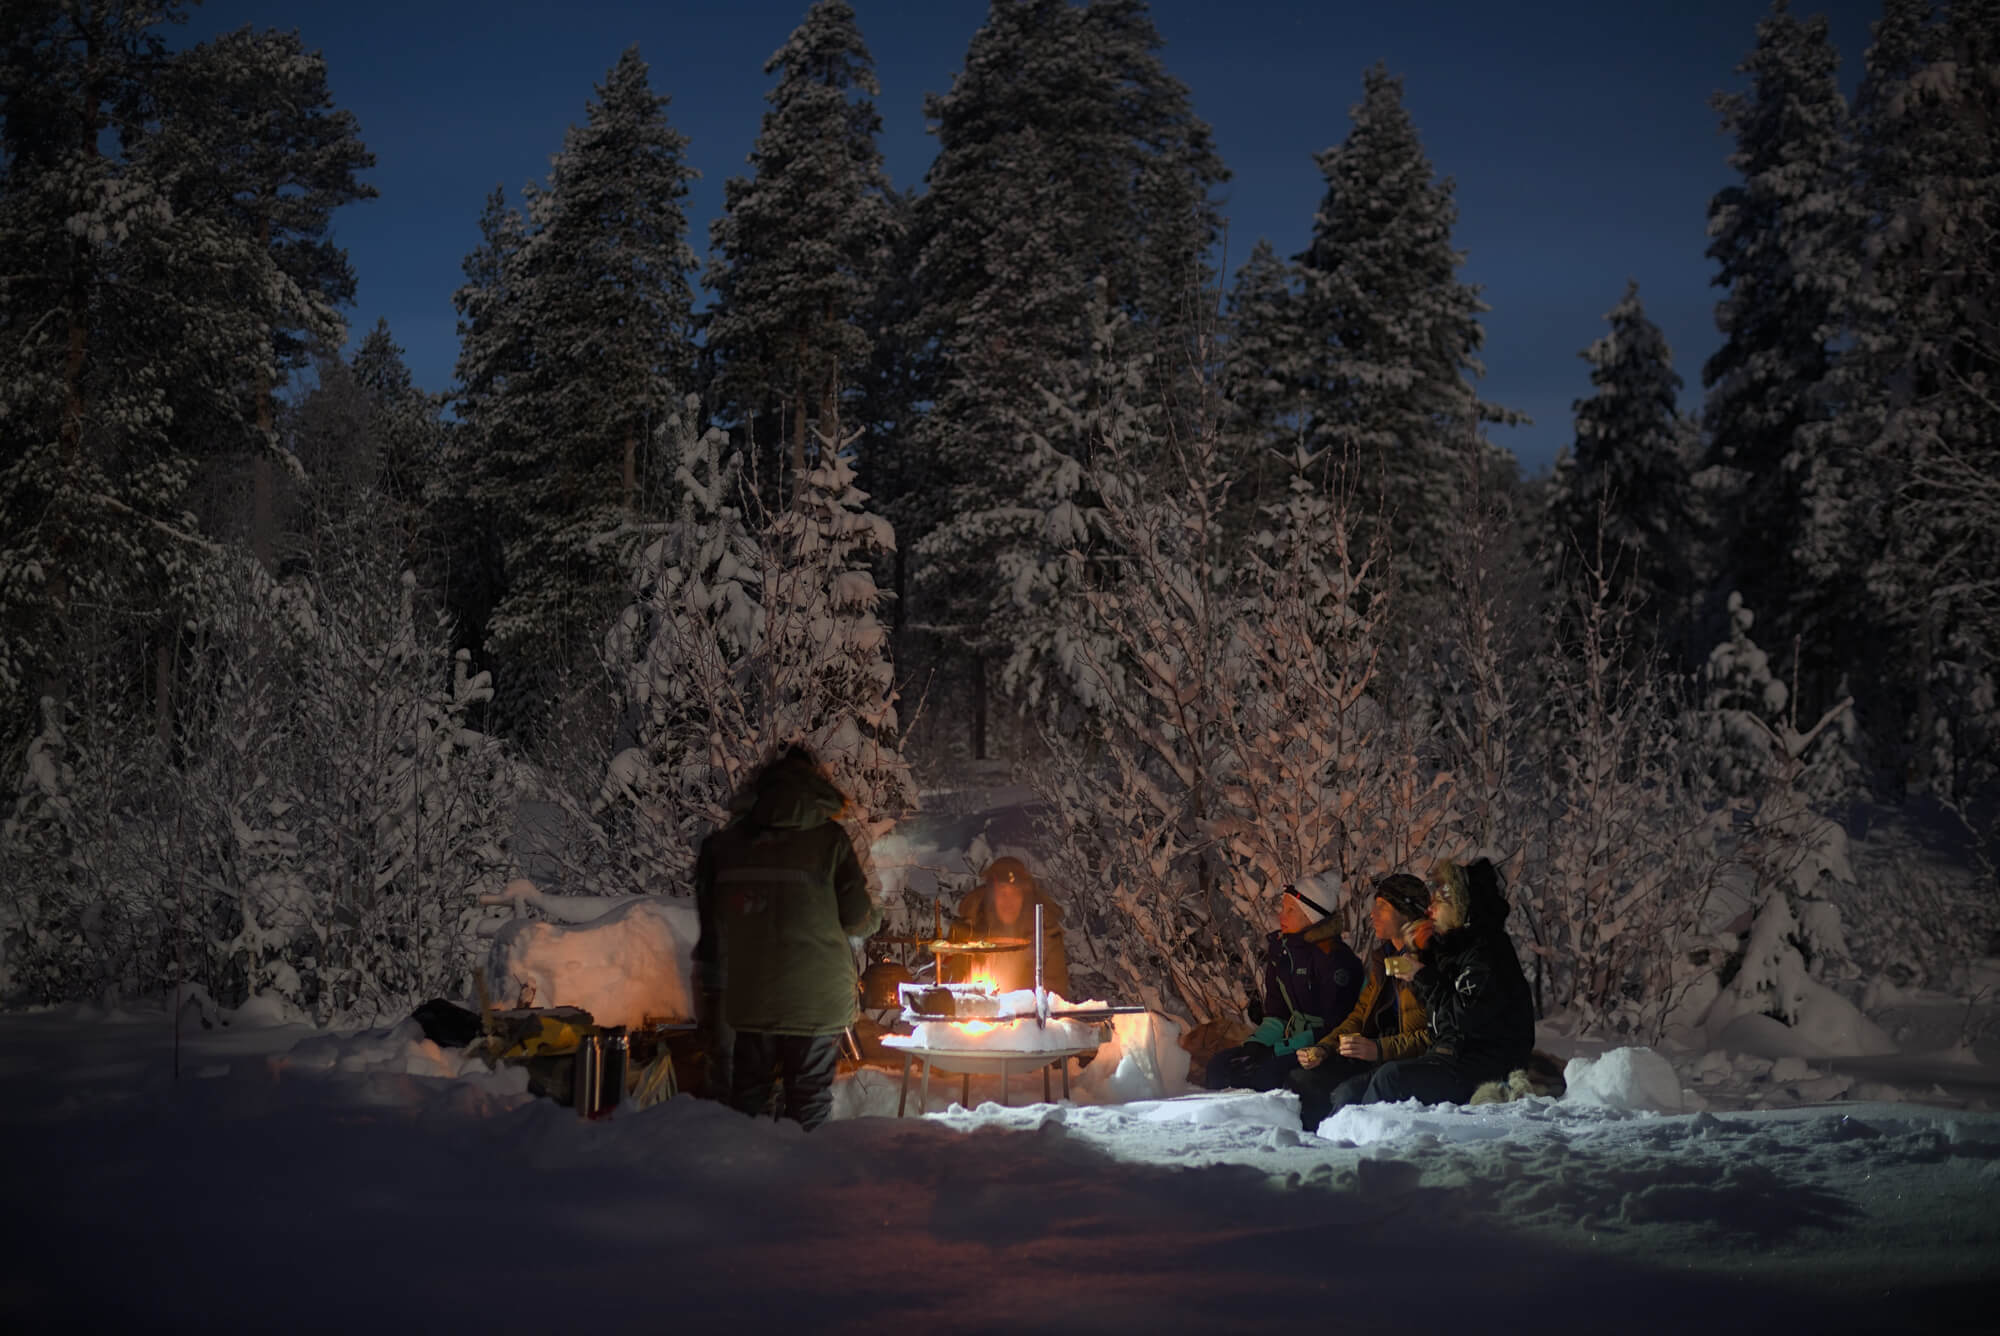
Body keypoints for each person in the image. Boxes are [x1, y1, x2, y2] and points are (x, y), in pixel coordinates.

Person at [693, 745, 881, 1131]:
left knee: (749, 1101)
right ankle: (806, 1183)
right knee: (809, 1100)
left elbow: (714, 934)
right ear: (814, 785)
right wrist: (873, 916)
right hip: (817, 999)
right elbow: (857, 918)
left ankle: (748, 1180)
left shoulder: (725, 847)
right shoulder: (831, 840)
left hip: (752, 999)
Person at [1333, 857, 1535, 1111]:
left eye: (1438, 903)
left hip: (1483, 1066)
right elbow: (1439, 1006)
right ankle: (1336, 1143)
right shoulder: (1455, 949)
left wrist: (1423, 975)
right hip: (1448, 1058)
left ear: (1460, 908)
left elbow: (1466, 1017)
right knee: (1349, 1091)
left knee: (1390, 1078)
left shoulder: (1488, 954)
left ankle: (1372, 1145)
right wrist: (1421, 956)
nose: (1429, 911)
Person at [1288, 873, 1433, 1129]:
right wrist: (1325, 1048)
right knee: (1302, 1078)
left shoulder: (1429, 963)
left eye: (1382, 907)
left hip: (1406, 1063)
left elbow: (1434, 1036)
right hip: (1378, 1056)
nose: (1372, 914)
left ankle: (1342, 1150)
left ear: (1406, 911)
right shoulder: (1384, 959)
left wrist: (1378, 1048)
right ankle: (1305, 1147)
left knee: (1345, 1094)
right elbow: (1359, 1015)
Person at [1205, 884, 1363, 1092]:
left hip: (1324, 1047)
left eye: (1290, 910)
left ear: (1311, 917)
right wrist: (1256, 1044)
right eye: (1283, 908)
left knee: (1267, 1074)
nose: (1281, 916)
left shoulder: (1335, 959)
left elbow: (1336, 1025)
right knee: (1222, 1066)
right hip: (1291, 1043)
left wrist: (1277, 1050)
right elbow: (1278, 1013)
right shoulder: (1283, 954)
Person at [948, 856, 1069, 997]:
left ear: (1025, 898)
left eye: (1015, 893)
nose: (1008, 901)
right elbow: (950, 988)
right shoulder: (966, 934)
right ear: (991, 897)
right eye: (1002, 892)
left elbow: (1054, 995)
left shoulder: (1046, 937)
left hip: (1026, 1016)